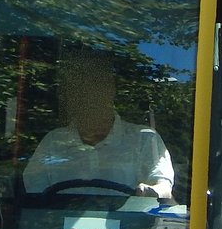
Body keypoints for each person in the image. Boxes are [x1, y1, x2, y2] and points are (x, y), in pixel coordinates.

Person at [23, 51, 174, 199]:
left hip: (131, 224)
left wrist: (149, 192)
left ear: (110, 91)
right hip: (61, 223)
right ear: (70, 96)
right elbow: (34, 194)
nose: (88, 97)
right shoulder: (53, 141)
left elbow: (163, 187)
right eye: (79, 89)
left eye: (95, 88)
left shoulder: (144, 138)